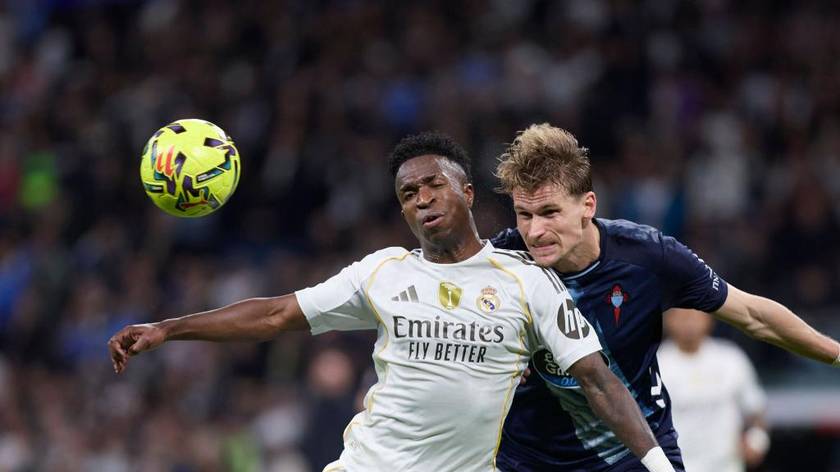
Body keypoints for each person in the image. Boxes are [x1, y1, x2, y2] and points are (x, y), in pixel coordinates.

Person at [108, 132, 677, 472]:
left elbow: (598, 379)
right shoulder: (382, 272)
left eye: (434, 185)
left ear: (467, 193)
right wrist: (168, 328)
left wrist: (658, 466)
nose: (422, 198)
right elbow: (277, 313)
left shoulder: (525, 281)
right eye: (409, 193)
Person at [490, 123, 840, 472]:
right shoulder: (499, 265)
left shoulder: (648, 257)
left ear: (588, 205)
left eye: (550, 212)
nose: (535, 231)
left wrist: (837, 355)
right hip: (530, 460)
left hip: (635, 454)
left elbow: (753, 315)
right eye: (524, 215)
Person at [659, 308, 769, 472]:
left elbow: (755, 408)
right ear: (667, 320)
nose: (688, 323)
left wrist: (757, 440)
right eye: (681, 316)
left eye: (694, 315)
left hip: (727, 466)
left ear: (709, 318)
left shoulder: (731, 359)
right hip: (675, 467)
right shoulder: (656, 365)